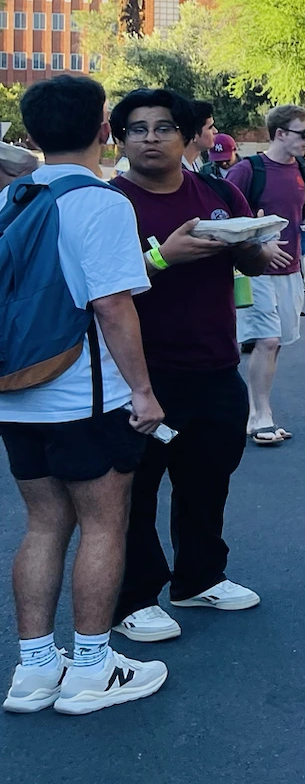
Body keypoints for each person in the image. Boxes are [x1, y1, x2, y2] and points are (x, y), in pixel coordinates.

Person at [1, 75, 168, 714]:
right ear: (105, 129)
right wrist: (144, 392)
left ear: (34, 132)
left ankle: (35, 668)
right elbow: (113, 305)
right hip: (81, 397)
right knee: (104, 524)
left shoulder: (11, 198)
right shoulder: (99, 202)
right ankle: (94, 667)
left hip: (14, 394)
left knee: (42, 523)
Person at [107, 88, 288, 644]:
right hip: (140, 374)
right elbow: (99, 291)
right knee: (135, 492)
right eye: (137, 129)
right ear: (120, 139)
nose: (151, 138)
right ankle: (135, 597)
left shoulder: (213, 190)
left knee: (208, 480)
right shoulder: (111, 203)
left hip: (214, 365)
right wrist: (164, 257)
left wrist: (253, 244)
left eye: (164, 128)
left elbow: (251, 263)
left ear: (187, 137)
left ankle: (199, 577)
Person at [223, 106, 305, 448]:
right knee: (266, 340)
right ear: (280, 133)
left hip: (290, 270)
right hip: (255, 271)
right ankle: (261, 414)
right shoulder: (247, 170)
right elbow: (224, 220)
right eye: (303, 133)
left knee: (276, 343)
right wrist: (257, 241)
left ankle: (254, 411)